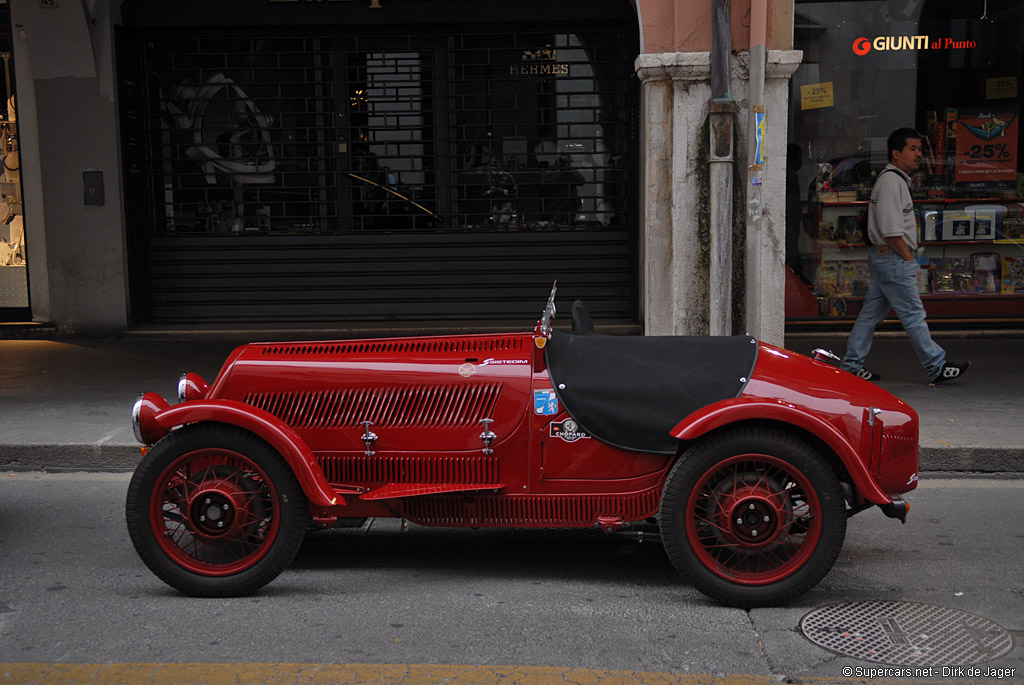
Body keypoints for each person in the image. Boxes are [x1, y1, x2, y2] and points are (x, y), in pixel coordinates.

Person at [840, 128, 970, 384]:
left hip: (886, 259)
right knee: (913, 315)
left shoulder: (895, 180)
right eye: (913, 149)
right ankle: (936, 365)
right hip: (894, 259)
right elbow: (890, 231)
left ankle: (851, 366)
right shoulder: (891, 182)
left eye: (920, 149)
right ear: (896, 154)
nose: (919, 154)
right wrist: (909, 260)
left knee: (870, 316)